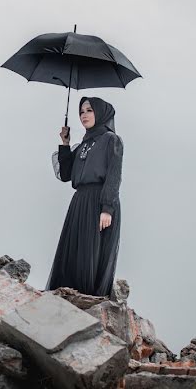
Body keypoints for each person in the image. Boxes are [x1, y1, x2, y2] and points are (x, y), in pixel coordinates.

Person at [47, 96, 123, 297]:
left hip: (99, 202)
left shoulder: (111, 140)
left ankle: (88, 301)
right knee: (73, 252)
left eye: (89, 110)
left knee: (91, 254)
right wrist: (65, 143)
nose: (84, 115)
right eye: (81, 112)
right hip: (79, 201)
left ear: (101, 113)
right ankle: (67, 297)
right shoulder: (83, 145)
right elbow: (65, 174)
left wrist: (107, 209)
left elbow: (114, 176)